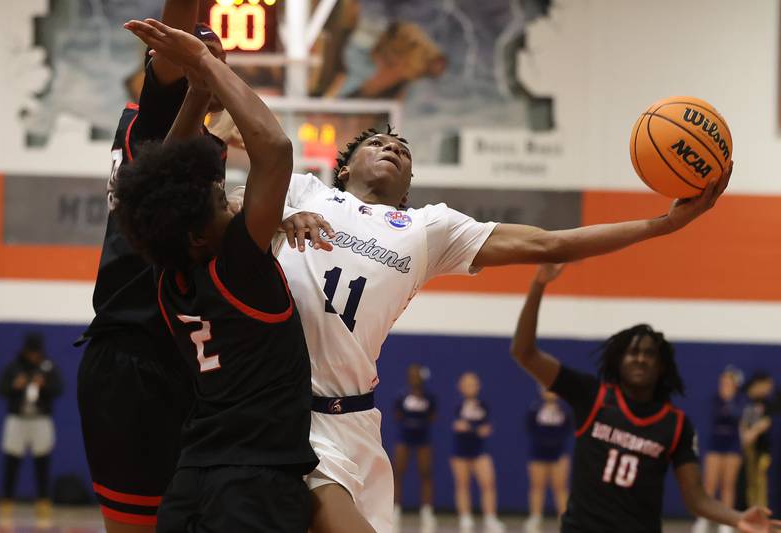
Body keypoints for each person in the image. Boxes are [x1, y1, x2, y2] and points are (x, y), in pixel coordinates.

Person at [277, 125, 733, 533]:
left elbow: (549, 242)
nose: (391, 148)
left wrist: (666, 224)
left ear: (407, 189)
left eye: (403, 151)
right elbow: (230, 200)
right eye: (377, 143)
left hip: (351, 419)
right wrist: (279, 218)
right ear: (345, 167)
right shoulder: (306, 194)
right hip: (283, 408)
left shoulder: (428, 228)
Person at [117, 18, 318, 531]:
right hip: (255, 487)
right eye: (220, 203)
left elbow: (166, 172)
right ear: (199, 236)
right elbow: (274, 150)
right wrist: (204, 64)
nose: (230, 203)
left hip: (192, 478)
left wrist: (198, 97)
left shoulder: (169, 276)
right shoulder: (239, 269)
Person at [74, 1, 228, 530]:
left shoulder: (200, 141)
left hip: (187, 357)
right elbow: (178, 33)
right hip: (135, 352)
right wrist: (186, 38)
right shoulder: (156, 119)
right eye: (198, 55)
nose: (211, 63)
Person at [510, 263, 780, 533]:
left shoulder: (675, 425)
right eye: (633, 352)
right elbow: (524, 352)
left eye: (649, 353)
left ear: (661, 365)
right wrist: (538, 284)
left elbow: (697, 498)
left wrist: (737, 518)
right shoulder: (592, 395)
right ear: (619, 361)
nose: (640, 358)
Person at [0, 333, 63, 529]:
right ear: (25, 351)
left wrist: (45, 386)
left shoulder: (47, 366)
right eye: (31, 352)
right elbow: (1, 388)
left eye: (37, 352)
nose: (34, 356)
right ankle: (7, 502)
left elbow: (59, 387)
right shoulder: (14, 367)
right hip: (17, 419)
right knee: (12, 461)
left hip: (40, 419)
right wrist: (14, 385)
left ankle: (43, 502)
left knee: (42, 461)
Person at [449, 372, 504, 533]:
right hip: (460, 450)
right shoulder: (457, 405)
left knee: (488, 483)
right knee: (462, 484)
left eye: (473, 384)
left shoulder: (483, 405)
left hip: (480, 450)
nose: (470, 387)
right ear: (460, 387)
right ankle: (465, 518)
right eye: (467, 384)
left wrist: (472, 428)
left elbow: (486, 428)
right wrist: (473, 429)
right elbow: (457, 425)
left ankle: (490, 518)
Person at [693, 367, 745, 533]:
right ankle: (704, 519)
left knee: (727, 485)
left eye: (728, 382)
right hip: (716, 444)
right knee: (709, 484)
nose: (724, 385)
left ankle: (727, 522)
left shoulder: (740, 400)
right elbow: (717, 416)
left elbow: (737, 417)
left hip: (733, 445)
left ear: (735, 384)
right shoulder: (715, 399)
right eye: (722, 382)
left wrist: (730, 402)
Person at [392, 363, 437, 532]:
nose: (414, 377)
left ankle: (426, 512)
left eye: (416, 374)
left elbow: (433, 415)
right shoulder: (402, 395)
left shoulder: (429, 397)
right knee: (398, 472)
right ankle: (395, 511)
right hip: (404, 438)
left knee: (426, 473)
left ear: (421, 376)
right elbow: (397, 414)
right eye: (411, 375)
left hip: (423, 439)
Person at [523, 387, 573, 533]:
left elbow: (567, 429)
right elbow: (530, 428)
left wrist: (556, 445)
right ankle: (535, 518)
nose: (550, 392)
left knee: (561, 488)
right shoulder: (534, 408)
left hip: (559, 454)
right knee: (537, 486)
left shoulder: (564, 410)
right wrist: (543, 443)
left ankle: (564, 519)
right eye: (546, 389)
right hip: (538, 454)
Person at [740, 373, 775, 510]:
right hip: (752, 450)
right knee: (751, 482)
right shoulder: (749, 403)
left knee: (763, 481)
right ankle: (753, 510)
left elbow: (767, 421)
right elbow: (744, 423)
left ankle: (763, 511)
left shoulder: (773, 402)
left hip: (767, 450)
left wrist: (753, 432)